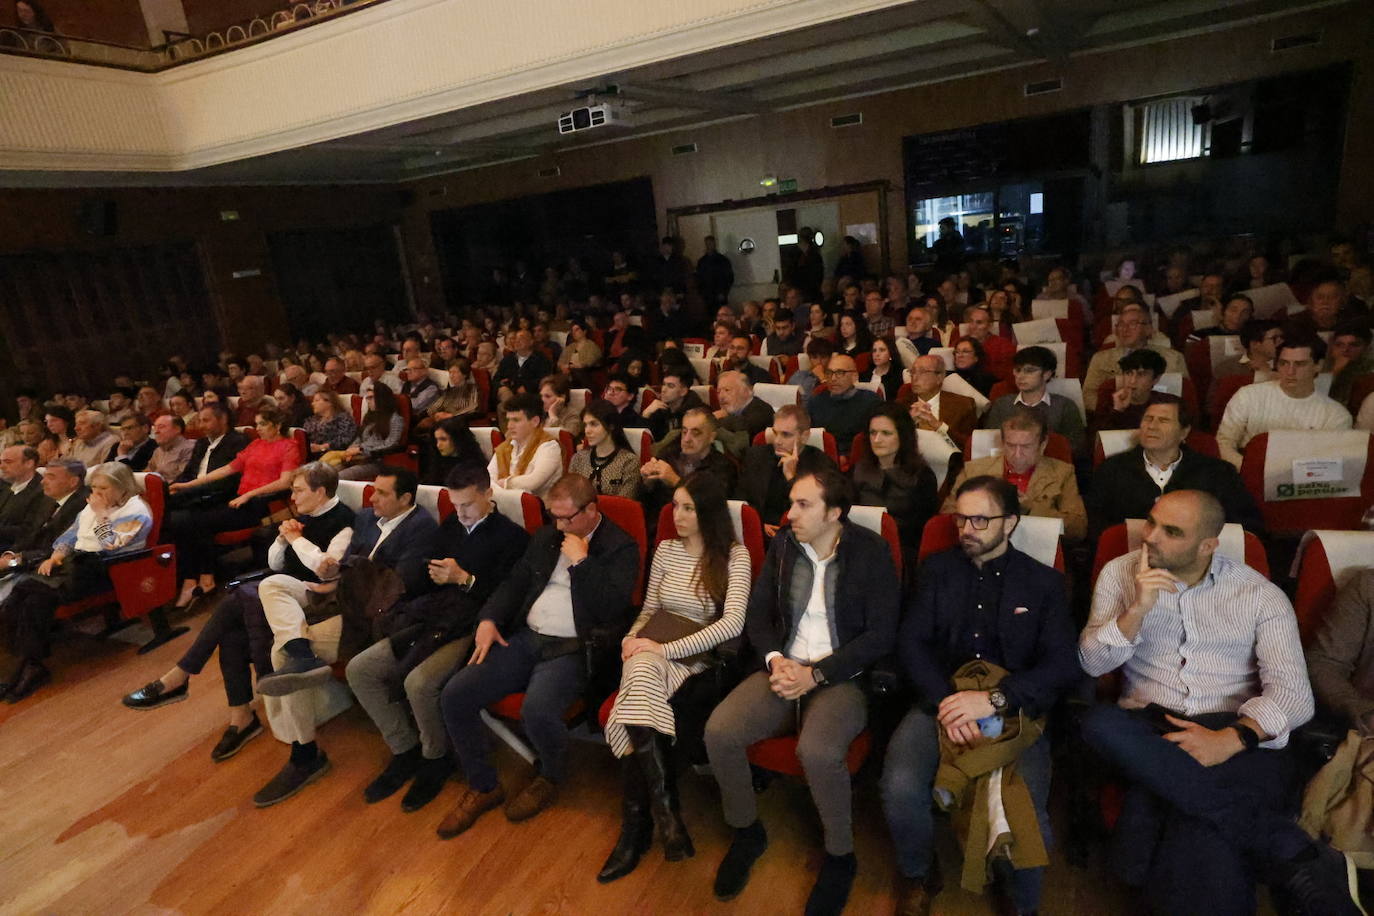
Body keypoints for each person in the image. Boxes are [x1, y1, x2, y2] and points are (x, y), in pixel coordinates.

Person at [1079, 490, 1361, 916]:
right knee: (1099, 723)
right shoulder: (1120, 575)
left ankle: (1273, 852)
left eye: (1171, 532)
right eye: (1151, 522)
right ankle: (1289, 849)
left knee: (1196, 829)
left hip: (1232, 727)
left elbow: (1294, 695)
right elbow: (1090, 662)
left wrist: (1233, 738)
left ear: (1208, 545)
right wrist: (1137, 610)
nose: (1150, 537)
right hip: (1148, 726)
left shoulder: (1258, 594)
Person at [123, 464, 394, 807]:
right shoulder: (302, 520)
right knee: (239, 619)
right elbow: (278, 564)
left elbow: (327, 569)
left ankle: (193, 682)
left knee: (241, 605)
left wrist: (296, 539)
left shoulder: (342, 520)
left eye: (298, 491)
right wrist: (283, 539)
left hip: (314, 599)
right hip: (285, 600)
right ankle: (239, 713)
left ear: (321, 492)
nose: (292, 497)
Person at [882, 476, 1078, 916]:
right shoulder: (936, 570)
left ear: (1010, 522)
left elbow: (1061, 664)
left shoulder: (1042, 583)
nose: (966, 528)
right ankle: (918, 872)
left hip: (1014, 705)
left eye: (980, 519)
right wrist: (948, 704)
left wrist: (994, 701)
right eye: (960, 518)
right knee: (899, 787)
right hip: (942, 695)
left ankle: (1018, 899)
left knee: (1024, 809)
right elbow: (911, 643)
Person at [705, 469, 898, 914]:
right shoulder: (784, 545)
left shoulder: (870, 552)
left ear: (834, 512)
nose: (789, 514)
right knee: (720, 732)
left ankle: (840, 855)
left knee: (818, 751)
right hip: (784, 666)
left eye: (803, 505)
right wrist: (776, 661)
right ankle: (747, 830)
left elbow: (880, 634)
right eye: (791, 502)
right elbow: (757, 615)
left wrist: (818, 674)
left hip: (840, 676)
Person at [436, 473, 641, 837]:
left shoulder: (620, 546)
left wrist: (582, 564)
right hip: (528, 636)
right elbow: (514, 583)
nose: (560, 525)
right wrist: (488, 618)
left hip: (575, 648)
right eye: (554, 517)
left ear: (591, 510)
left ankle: (550, 773)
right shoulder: (547, 536)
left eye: (567, 518)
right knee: (456, 693)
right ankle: (484, 785)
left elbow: (611, 609)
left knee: (538, 709)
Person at [346, 464, 530, 812]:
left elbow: (512, 598)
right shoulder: (451, 526)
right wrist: (429, 575)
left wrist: (465, 579)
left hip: (474, 625)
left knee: (420, 683)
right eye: (456, 506)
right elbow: (425, 582)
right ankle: (405, 748)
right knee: (361, 669)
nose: (461, 514)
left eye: (468, 506)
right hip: (432, 615)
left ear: (488, 494)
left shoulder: (512, 537)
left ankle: (436, 757)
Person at [598, 473, 751, 882]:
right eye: (675, 506)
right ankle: (665, 819)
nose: (677, 515)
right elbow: (648, 609)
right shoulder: (665, 550)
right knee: (641, 673)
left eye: (688, 508)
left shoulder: (735, 556)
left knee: (636, 689)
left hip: (695, 659)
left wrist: (661, 650)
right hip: (651, 652)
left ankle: (640, 826)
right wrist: (632, 640)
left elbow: (732, 624)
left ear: (709, 513)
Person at [0, 463, 151, 702]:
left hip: (106, 569)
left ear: (122, 488)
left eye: (104, 488)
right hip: (74, 566)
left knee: (34, 594)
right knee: (23, 596)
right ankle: (26, 664)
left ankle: (30, 667)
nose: (97, 494)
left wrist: (102, 514)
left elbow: (112, 544)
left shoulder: (138, 511)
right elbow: (69, 536)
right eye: (95, 487)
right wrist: (55, 557)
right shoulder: (90, 507)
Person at [165, 406, 299, 607]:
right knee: (187, 520)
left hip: (262, 504)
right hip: (241, 500)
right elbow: (227, 469)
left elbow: (285, 482)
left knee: (199, 521)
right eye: (257, 424)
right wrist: (187, 485)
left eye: (263, 424)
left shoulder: (289, 446)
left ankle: (203, 578)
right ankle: (195, 578)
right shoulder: (255, 445)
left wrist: (250, 494)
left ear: (277, 426)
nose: (258, 428)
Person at [1087, 393, 1262, 540]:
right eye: (1148, 419)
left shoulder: (1218, 472)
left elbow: (1245, 525)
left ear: (1184, 432)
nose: (1152, 426)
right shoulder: (1112, 470)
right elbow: (1097, 530)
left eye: (1163, 420)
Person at [943, 408, 1087, 541]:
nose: (1017, 454)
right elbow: (947, 513)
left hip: (1037, 550)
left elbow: (1078, 529)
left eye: (1026, 447)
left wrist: (1031, 508)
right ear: (1003, 443)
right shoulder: (975, 470)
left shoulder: (1062, 473)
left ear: (1042, 445)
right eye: (1011, 446)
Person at [1216, 334, 1353, 469]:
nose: (1290, 371)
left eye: (1300, 364)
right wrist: (1251, 471)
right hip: (1247, 472)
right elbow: (1223, 443)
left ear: (1318, 365)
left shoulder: (1336, 415)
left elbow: (1329, 464)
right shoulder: (1248, 395)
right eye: (1284, 363)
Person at [849, 403, 937, 568]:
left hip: (903, 554)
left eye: (886, 433)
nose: (877, 440)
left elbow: (923, 532)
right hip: (859, 548)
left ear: (902, 436)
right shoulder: (857, 470)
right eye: (873, 433)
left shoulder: (922, 477)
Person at [736, 404, 836, 536]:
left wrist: (791, 477)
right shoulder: (755, 456)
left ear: (804, 436)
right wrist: (758, 525)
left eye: (786, 435)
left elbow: (815, 510)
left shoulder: (820, 464)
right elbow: (740, 500)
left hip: (800, 535)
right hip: (757, 532)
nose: (777, 441)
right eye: (775, 433)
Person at [981, 345, 1086, 456]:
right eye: (1017, 370)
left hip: (1051, 466)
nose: (1020, 376)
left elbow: (1075, 448)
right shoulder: (1002, 404)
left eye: (1029, 371)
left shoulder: (1064, 406)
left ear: (1047, 374)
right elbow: (992, 444)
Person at [1083, 304, 1188, 412]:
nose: (1125, 329)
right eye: (1120, 324)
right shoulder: (1101, 359)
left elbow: (1187, 397)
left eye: (1133, 324)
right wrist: (1114, 407)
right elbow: (1087, 397)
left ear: (1149, 329)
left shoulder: (1174, 358)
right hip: (1116, 417)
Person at [643, 407, 739, 509]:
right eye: (684, 432)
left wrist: (675, 481)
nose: (687, 439)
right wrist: (647, 483)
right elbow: (645, 505)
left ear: (711, 437)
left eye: (695, 433)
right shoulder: (668, 456)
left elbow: (710, 508)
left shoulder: (723, 467)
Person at [487, 392, 562, 499]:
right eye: (509, 420)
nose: (509, 426)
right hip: (504, 504)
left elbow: (534, 481)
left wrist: (505, 483)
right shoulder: (505, 447)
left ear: (535, 421)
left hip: (540, 511)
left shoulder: (550, 446)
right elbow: (488, 479)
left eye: (516, 420)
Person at [899, 354, 977, 451]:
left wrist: (939, 426)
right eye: (913, 372)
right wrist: (908, 423)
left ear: (939, 377)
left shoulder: (963, 405)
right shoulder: (901, 406)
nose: (914, 378)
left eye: (922, 372)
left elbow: (971, 446)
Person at [568, 399, 641, 499]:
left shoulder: (629, 461)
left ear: (611, 426)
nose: (587, 431)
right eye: (585, 425)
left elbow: (625, 503)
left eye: (594, 424)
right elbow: (570, 496)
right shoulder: (578, 458)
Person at [808, 353, 880, 451]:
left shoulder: (870, 402)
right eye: (829, 373)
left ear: (854, 376)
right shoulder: (816, 402)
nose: (833, 378)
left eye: (840, 373)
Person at [337, 384, 406, 481]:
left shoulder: (395, 419)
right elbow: (359, 438)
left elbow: (390, 444)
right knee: (327, 474)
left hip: (377, 461)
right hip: (358, 458)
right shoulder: (369, 418)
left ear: (381, 398)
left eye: (371, 398)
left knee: (339, 477)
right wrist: (351, 449)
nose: (368, 401)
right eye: (367, 398)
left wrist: (361, 449)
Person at [1091, 348, 1167, 434]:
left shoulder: (1168, 404)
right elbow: (1099, 442)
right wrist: (1117, 410)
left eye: (1141, 374)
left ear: (1156, 378)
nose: (1132, 381)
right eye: (1128, 373)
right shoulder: (1108, 402)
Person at [713, 370, 774, 457]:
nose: (721, 396)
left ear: (745, 391)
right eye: (718, 392)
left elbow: (744, 433)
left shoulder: (761, 411)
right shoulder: (732, 411)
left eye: (727, 390)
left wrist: (715, 421)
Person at [641, 367, 705, 443]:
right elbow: (643, 442)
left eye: (670, 386)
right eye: (664, 384)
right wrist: (646, 415)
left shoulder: (696, 413)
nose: (663, 390)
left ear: (683, 391)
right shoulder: (659, 408)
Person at [0, 445, 46, 550]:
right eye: (1, 462)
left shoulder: (43, 491)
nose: (2, 466)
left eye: (8, 462)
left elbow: (29, 530)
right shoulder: (6, 486)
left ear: (29, 463)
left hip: (15, 549)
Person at [960, 305, 1016, 379]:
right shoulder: (960, 342)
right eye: (971, 321)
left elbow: (1008, 376)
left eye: (979, 322)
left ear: (989, 325)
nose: (973, 326)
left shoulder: (1004, 346)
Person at [1324, 322, 1374, 404]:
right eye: (1339, 345)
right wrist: (1334, 372)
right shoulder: (1319, 366)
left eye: (1354, 345)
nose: (1345, 350)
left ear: (1366, 347)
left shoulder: (1370, 370)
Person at [303, 391, 359, 460]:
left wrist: (322, 447)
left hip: (334, 455)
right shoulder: (311, 420)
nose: (313, 404)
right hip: (311, 456)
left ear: (329, 402)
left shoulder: (343, 418)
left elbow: (346, 439)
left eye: (316, 400)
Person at [144, 414, 196, 482]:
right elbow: (147, 473)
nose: (156, 431)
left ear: (177, 429)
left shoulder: (190, 448)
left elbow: (183, 477)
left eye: (161, 427)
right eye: (155, 428)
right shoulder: (158, 451)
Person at [789, 337, 834, 404]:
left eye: (823, 357)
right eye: (814, 358)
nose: (819, 362)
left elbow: (834, 400)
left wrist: (822, 378)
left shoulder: (835, 377)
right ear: (809, 359)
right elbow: (787, 396)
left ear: (830, 358)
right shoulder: (799, 375)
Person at [538, 374, 582, 440]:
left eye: (547, 396)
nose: (542, 400)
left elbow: (566, 440)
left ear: (561, 398)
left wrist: (553, 416)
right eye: (541, 396)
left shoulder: (572, 416)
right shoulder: (539, 414)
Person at [696, 235, 735, 308]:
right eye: (707, 244)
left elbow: (729, 277)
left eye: (711, 243)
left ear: (714, 244)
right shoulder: (702, 262)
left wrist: (723, 292)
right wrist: (701, 293)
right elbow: (699, 278)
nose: (709, 246)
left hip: (720, 294)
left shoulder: (723, 260)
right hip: (707, 295)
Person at [863, 337, 903, 401]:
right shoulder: (863, 376)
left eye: (882, 350)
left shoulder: (900, 375)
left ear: (890, 353)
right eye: (874, 351)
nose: (877, 354)